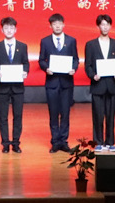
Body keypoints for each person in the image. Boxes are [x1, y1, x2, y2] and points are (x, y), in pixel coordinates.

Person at [38, 13, 79, 153]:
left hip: (67, 83)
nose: (57, 26)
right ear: (50, 26)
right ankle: (55, 142)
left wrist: (73, 68)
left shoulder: (71, 40)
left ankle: (64, 141)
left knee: (66, 113)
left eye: (59, 23)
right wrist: (46, 68)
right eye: (54, 24)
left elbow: (75, 59)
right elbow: (41, 60)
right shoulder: (45, 41)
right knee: (53, 113)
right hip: (52, 83)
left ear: (63, 25)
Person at [84, 15, 115, 152]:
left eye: (107, 24)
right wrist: (93, 75)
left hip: (112, 85)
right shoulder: (91, 44)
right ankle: (98, 142)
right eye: (102, 24)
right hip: (98, 85)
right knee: (98, 115)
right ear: (98, 26)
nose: (105, 27)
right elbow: (88, 65)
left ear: (110, 26)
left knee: (111, 116)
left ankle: (110, 142)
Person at [0, 17, 29, 154]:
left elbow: (26, 63)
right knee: (3, 116)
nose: (9, 30)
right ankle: (5, 143)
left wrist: (25, 71)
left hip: (18, 87)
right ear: (2, 30)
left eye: (11, 28)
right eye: (6, 28)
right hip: (3, 87)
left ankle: (16, 143)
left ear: (15, 29)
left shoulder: (22, 46)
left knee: (18, 116)